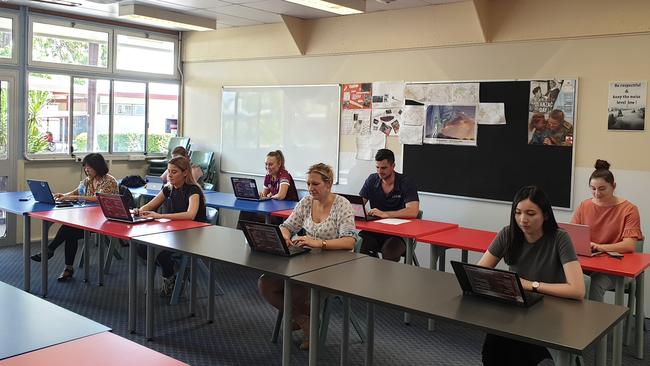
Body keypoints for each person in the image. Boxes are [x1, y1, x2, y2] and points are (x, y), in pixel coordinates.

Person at [477, 186, 584, 366]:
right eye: (517, 213)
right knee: (492, 350)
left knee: (519, 348)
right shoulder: (507, 233)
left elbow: (577, 290)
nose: (523, 220)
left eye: (531, 213)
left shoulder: (560, 238)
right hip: (518, 308)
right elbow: (479, 271)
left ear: (546, 215)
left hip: (552, 310)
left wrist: (528, 285)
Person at [258, 163, 356, 350]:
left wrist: (320, 243)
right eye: (308, 183)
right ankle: (304, 320)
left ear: (328, 184)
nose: (310, 188)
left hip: (335, 265)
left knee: (295, 290)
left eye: (315, 184)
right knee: (266, 284)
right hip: (306, 260)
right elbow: (285, 226)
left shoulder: (342, 205)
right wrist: (285, 236)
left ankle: (305, 323)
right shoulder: (305, 202)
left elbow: (349, 242)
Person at [30, 153, 118, 281]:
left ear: (98, 167)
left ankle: (51, 251)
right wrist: (63, 195)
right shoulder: (88, 180)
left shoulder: (109, 181)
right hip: (88, 217)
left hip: (104, 220)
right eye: (85, 167)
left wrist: (73, 197)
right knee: (69, 231)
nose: (87, 170)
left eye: (90, 167)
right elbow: (76, 191)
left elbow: (98, 199)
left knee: (68, 230)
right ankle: (67, 268)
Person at [571, 159, 644, 302]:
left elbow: (629, 245)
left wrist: (600, 247)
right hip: (589, 262)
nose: (597, 193)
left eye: (602, 188)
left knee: (595, 284)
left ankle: (597, 323)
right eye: (593, 188)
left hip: (617, 266)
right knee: (566, 277)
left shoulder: (629, 209)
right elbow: (571, 235)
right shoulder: (584, 206)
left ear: (613, 186)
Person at [136, 156, 207, 296]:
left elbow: (190, 215)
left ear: (185, 173)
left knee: (160, 253)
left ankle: (169, 276)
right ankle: (171, 272)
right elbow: (150, 205)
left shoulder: (193, 190)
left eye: (174, 172)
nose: (169, 175)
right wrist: (140, 210)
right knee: (142, 248)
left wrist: (160, 216)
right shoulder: (168, 188)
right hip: (175, 232)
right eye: (168, 171)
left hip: (192, 235)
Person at [358, 149, 419, 261]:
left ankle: (385, 277)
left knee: (389, 251)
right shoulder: (372, 180)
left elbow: (413, 211)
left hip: (399, 234)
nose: (379, 171)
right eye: (377, 167)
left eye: (384, 168)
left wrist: (386, 214)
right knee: (357, 243)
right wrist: (362, 211)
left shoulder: (406, 182)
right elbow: (358, 204)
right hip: (374, 231)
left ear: (393, 166)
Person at [238, 150, 299, 227]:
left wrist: (269, 196)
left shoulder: (284, 175)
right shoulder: (268, 176)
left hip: (287, 213)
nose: (267, 167)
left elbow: (281, 196)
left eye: (270, 164)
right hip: (275, 210)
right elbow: (264, 195)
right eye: (266, 164)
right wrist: (260, 195)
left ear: (279, 164)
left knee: (247, 214)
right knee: (246, 211)